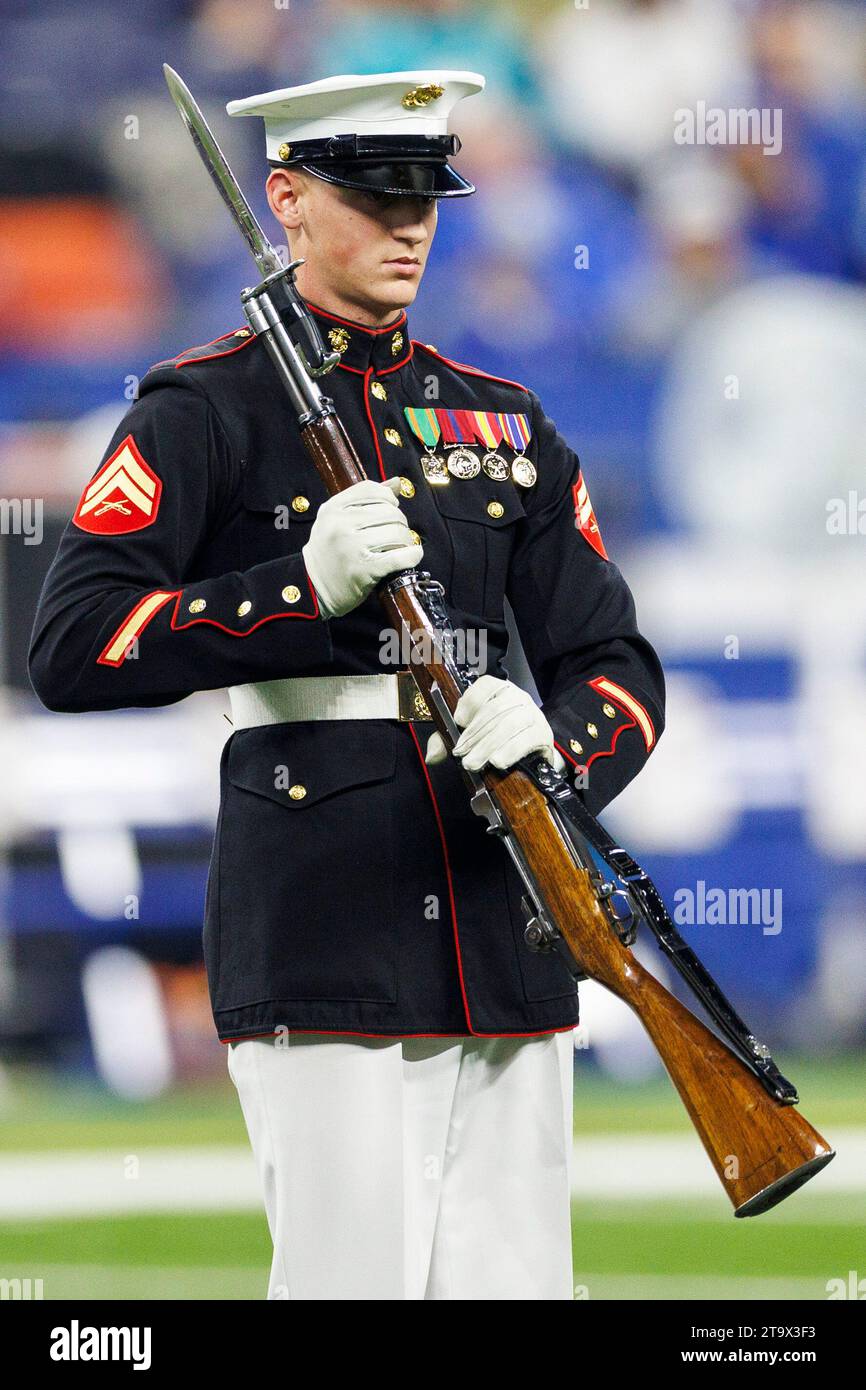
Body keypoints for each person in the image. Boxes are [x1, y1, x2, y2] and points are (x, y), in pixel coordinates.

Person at [28, 69, 665, 1300]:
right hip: (323, 912)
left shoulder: (503, 423)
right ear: (287, 200)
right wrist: (292, 590)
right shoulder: (201, 410)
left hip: (504, 898)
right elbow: (76, 644)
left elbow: (616, 665)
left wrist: (556, 744)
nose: (412, 224)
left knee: (514, 1288)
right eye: (376, 196)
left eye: (427, 195)